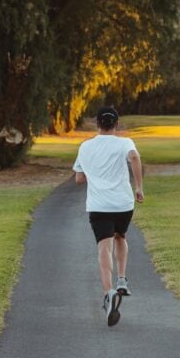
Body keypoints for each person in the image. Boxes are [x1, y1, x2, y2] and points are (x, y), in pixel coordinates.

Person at [73, 106, 144, 327]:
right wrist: (139, 187)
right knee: (120, 236)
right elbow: (134, 156)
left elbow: (79, 179)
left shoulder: (85, 146)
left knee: (104, 246)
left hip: (99, 205)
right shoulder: (125, 143)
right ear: (116, 124)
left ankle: (108, 292)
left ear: (97, 124)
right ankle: (122, 279)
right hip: (123, 203)